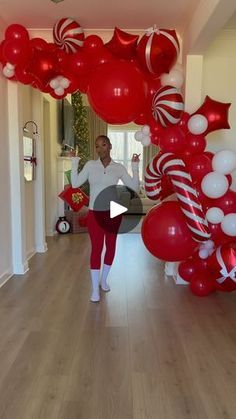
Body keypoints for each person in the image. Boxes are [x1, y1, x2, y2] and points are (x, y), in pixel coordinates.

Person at [71, 135, 140, 302]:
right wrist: (74, 162)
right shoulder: (90, 165)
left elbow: (134, 187)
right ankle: (95, 289)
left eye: (103, 145)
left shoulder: (118, 167)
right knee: (96, 249)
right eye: (97, 146)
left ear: (110, 146)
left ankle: (104, 280)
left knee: (110, 247)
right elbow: (74, 184)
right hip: (95, 213)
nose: (100, 148)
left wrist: (135, 167)